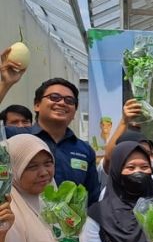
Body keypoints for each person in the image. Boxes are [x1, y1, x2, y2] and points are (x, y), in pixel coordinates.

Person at [0, 72, 100, 205]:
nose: (62, 103)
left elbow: (92, 199)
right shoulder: (15, 137)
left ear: (75, 112)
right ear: (37, 105)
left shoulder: (84, 150)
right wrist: (5, 84)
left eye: (69, 101)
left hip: (68, 224)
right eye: (54, 97)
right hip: (19, 222)